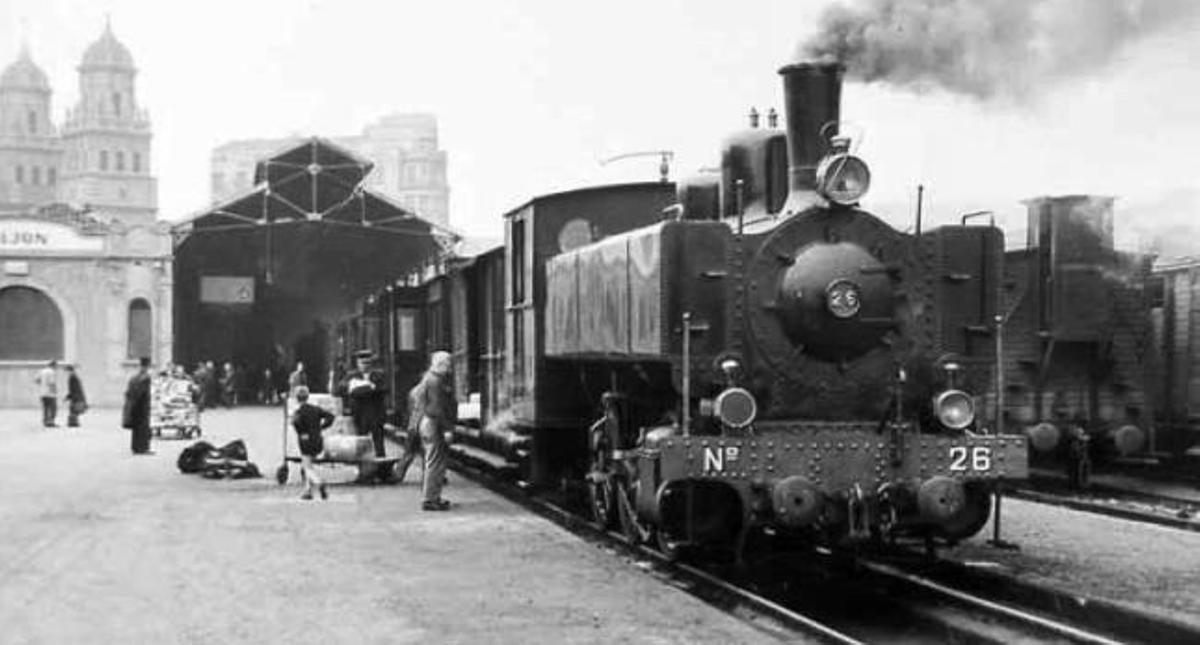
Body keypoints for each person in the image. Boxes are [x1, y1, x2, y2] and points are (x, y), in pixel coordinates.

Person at [398, 351, 455, 511]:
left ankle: (433, 496)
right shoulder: (435, 381)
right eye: (448, 364)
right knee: (434, 461)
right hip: (432, 423)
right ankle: (430, 499)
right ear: (441, 364)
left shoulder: (427, 379)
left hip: (426, 422)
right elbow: (436, 408)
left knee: (433, 460)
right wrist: (447, 429)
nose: (450, 368)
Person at [291, 386, 333, 500]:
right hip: (318, 440)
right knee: (308, 465)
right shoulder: (315, 409)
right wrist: (322, 427)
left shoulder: (298, 412)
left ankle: (319, 482)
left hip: (306, 441)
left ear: (296, 398)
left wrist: (301, 432)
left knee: (307, 467)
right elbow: (330, 416)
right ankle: (308, 491)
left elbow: (295, 423)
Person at [346, 351, 388, 458]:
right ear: (357, 363)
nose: (365, 366)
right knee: (360, 442)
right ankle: (362, 465)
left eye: (368, 363)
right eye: (363, 363)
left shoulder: (379, 375)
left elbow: (383, 390)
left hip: (376, 414)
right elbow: (344, 389)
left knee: (379, 443)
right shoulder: (351, 376)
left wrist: (359, 389)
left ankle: (381, 465)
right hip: (359, 414)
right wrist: (370, 388)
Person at [123, 357, 153, 455]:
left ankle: (135, 447)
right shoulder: (146, 378)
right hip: (142, 406)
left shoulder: (134, 377)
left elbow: (129, 392)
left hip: (134, 405)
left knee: (136, 428)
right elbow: (143, 393)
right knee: (143, 428)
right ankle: (143, 448)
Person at [34, 360, 58, 427]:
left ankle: (45, 421)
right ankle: (51, 422)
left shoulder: (42, 371)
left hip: (42, 393)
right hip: (50, 393)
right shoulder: (52, 372)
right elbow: (52, 383)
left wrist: (42, 385)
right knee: (53, 408)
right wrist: (55, 391)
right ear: (53, 365)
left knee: (46, 408)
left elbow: (36, 380)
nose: (56, 368)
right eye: (56, 366)